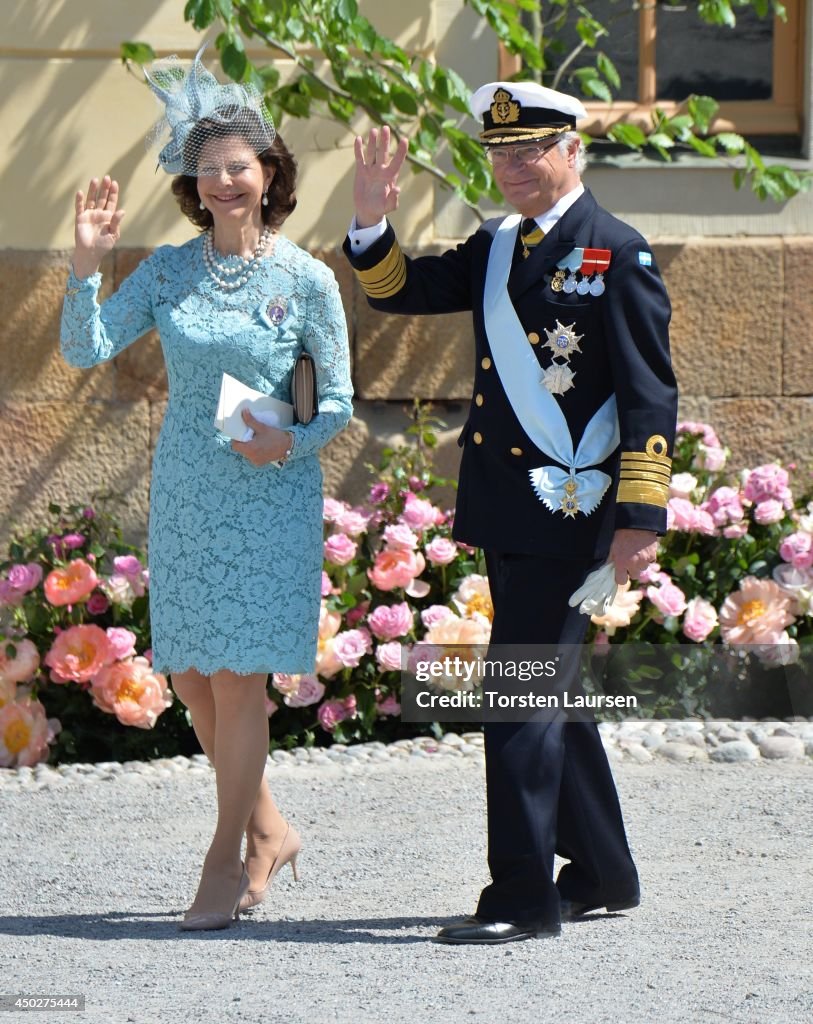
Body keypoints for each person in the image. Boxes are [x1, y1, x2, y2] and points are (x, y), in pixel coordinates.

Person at [344, 82, 677, 944]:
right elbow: (400, 291)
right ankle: (603, 872)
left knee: (518, 692)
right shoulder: (496, 245)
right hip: (510, 506)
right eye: (499, 153)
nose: (513, 166)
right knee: (546, 689)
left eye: (530, 149)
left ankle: (523, 896)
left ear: (574, 149)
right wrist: (370, 221)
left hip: (577, 509)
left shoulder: (616, 250)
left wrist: (640, 515)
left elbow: (648, 395)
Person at [61, 49, 353, 931]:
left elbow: (335, 399)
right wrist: (85, 266)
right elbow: (86, 349)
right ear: (192, 182)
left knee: (236, 683)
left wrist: (288, 443)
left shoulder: (304, 278)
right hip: (188, 491)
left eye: (241, 165)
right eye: (209, 168)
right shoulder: (170, 270)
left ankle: (223, 860)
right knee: (190, 677)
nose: (225, 180)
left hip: (269, 493)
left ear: (268, 175)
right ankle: (270, 829)